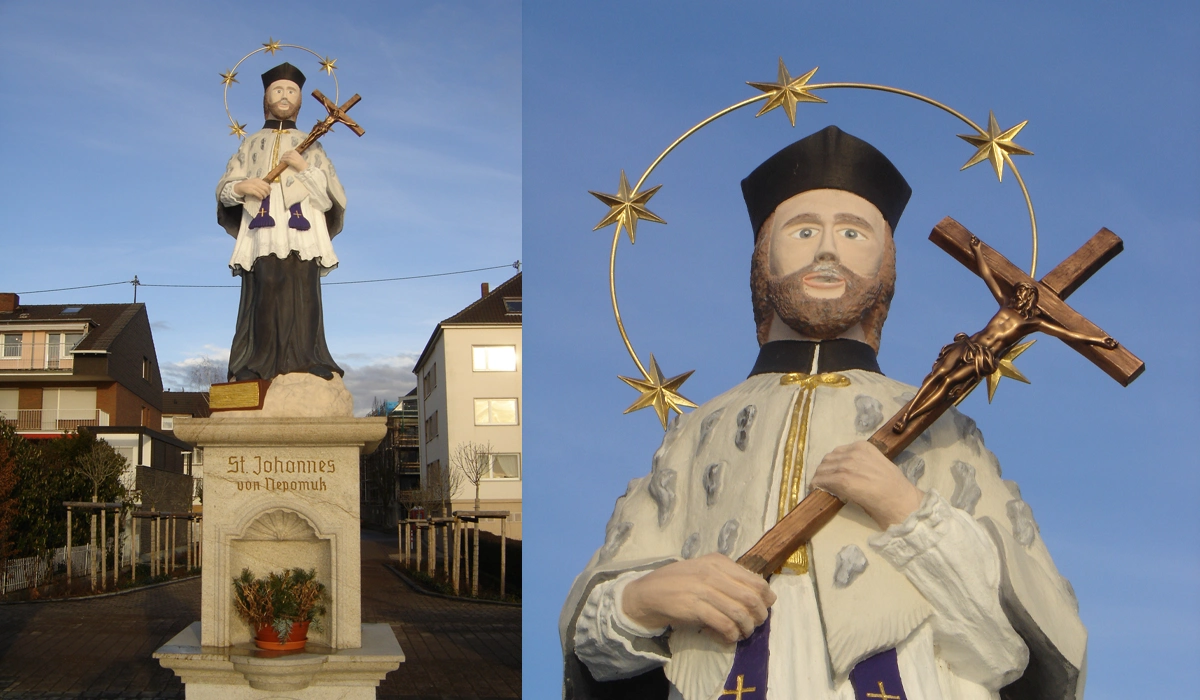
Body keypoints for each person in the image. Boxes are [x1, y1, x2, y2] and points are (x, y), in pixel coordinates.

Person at [561, 126, 1086, 700]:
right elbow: (598, 637)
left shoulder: (942, 428)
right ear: (763, 256)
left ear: (887, 262)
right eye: (803, 229)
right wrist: (643, 600)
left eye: (854, 231)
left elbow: (1006, 647)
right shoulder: (700, 430)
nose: (827, 249)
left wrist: (907, 512)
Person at [216, 62, 346, 382]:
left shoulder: (311, 141)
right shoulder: (250, 143)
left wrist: (304, 167)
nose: (285, 96)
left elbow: (330, 196)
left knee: (304, 286)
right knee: (267, 285)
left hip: (302, 223)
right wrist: (243, 187)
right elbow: (226, 186)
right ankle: (258, 362)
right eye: (278, 90)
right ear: (266, 97)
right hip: (265, 224)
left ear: (300, 99)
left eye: (292, 91)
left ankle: (307, 357)